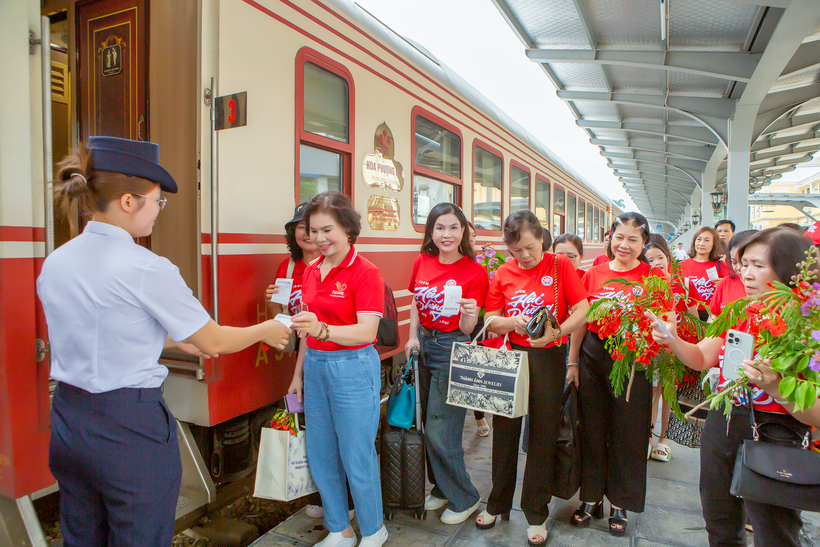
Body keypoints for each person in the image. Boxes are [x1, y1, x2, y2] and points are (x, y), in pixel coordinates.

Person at [39, 137, 291, 547]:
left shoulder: (57, 261)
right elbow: (213, 340)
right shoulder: (146, 267)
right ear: (127, 201)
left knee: (82, 538)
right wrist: (265, 330)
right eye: (157, 201)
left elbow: (104, 329)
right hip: (128, 428)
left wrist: (172, 339)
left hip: (69, 420)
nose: (159, 210)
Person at [651, 227, 820, 547]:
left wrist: (776, 387)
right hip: (725, 418)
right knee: (719, 518)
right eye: (743, 264)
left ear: (789, 269)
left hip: (776, 433)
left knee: (775, 531)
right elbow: (702, 356)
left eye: (758, 265)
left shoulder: (810, 326)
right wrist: (672, 339)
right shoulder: (739, 311)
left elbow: (816, 414)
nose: (745, 272)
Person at [474, 210, 590, 546]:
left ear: (542, 238)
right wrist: (513, 322)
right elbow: (490, 319)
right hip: (512, 357)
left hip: (549, 357)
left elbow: (583, 308)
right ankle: (496, 503)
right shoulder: (503, 272)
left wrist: (556, 331)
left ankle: (536, 511)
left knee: (542, 435)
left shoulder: (560, 265)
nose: (524, 257)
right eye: (515, 251)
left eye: (529, 247)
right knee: (505, 433)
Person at [287, 192, 387, 547]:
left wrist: (323, 330)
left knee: (356, 453)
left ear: (347, 228)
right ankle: (339, 529)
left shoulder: (366, 272)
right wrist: (298, 374)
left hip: (353, 367)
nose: (319, 238)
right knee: (321, 451)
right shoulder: (312, 270)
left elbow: (367, 332)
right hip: (315, 365)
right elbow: (306, 328)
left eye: (327, 229)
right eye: (313, 231)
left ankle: (374, 529)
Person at [567, 212, 664, 537]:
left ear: (644, 244)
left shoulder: (653, 277)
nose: (624, 244)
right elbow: (581, 320)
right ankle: (591, 496)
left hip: (634, 361)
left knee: (629, 432)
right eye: (619, 237)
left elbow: (662, 321)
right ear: (610, 238)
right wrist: (573, 362)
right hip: (593, 356)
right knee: (592, 428)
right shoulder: (593, 274)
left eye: (632, 239)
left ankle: (620, 502)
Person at [405, 203, 488, 524]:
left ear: (464, 231)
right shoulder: (422, 261)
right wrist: (412, 336)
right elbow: (416, 300)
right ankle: (441, 488)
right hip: (424, 344)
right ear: (431, 231)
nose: (447, 234)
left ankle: (466, 496)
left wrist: (469, 313)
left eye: (454, 227)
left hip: (453, 346)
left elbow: (469, 330)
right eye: (440, 227)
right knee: (427, 423)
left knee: (443, 430)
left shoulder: (475, 271)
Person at [642, 236, 695, 463]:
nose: (656, 263)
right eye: (650, 260)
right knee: (653, 392)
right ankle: (649, 437)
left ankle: (664, 440)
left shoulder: (683, 283)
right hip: (656, 348)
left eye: (660, 257)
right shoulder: (647, 283)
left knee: (669, 394)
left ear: (668, 258)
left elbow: (694, 319)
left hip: (678, 346)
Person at [465, 221, 491, 437]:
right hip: (457, 325)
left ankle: (479, 414)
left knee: (477, 373)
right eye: (469, 235)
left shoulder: (482, 264)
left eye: (474, 235)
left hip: (478, 323)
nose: (472, 239)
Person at [682, 227, 726, 321]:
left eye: (707, 240)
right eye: (699, 239)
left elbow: (732, 289)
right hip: (688, 313)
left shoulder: (721, 266)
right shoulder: (681, 266)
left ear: (714, 244)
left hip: (713, 315)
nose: (701, 243)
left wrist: (724, 284)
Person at [709, 230, 757, 317]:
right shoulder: (725, 283)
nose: (738, 268)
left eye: (744, 263)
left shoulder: (773, 289)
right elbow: (714, 316)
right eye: (734, 262)